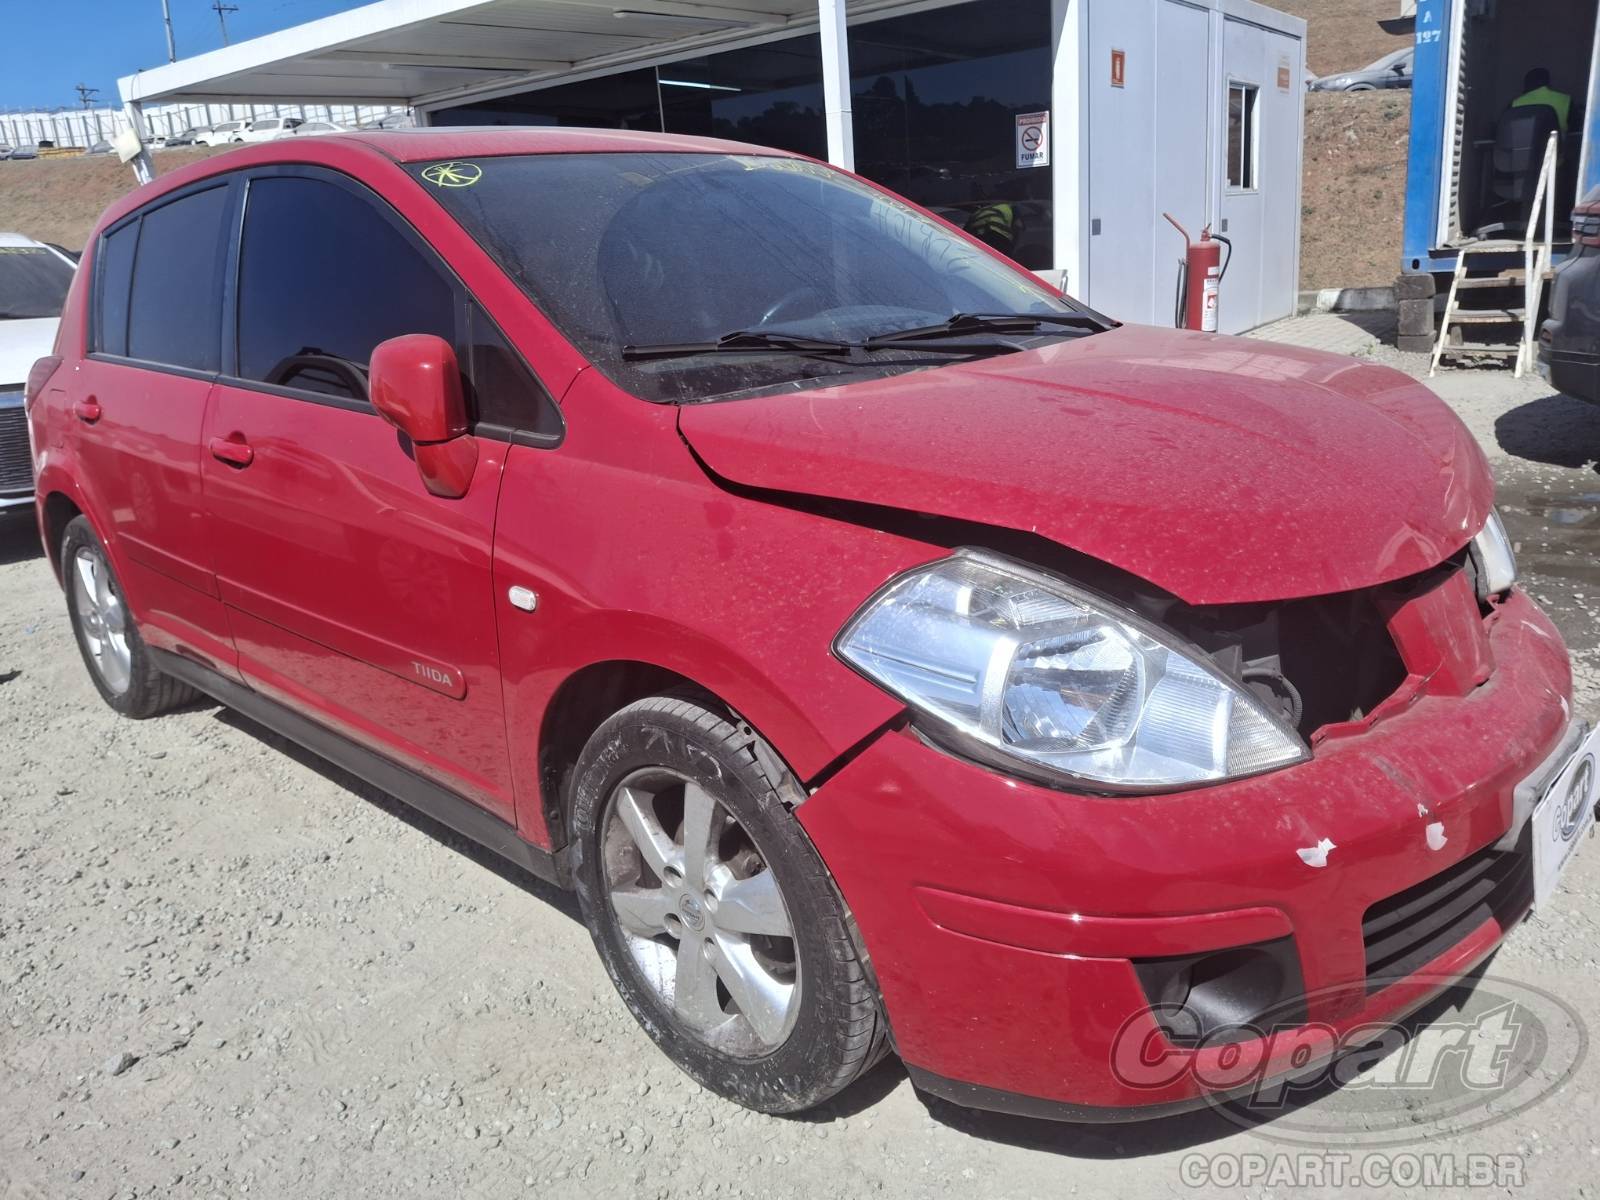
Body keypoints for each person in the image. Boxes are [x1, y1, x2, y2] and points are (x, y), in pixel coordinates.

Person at [1511, 67, 1572, 134]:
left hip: (1524, 144)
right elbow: (1576, 132)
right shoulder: (1566, 100)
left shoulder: (1515, 103)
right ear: (1548, 82)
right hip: (1558, 144)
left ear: (1527, 83)